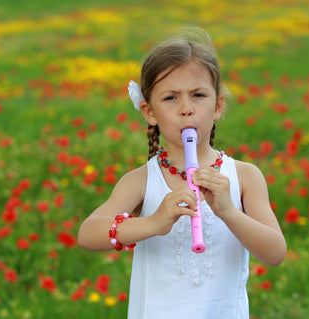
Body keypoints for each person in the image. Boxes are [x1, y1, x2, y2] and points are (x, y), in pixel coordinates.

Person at [77, 27, 286, 319]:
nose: (186, 109)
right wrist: (153, 223)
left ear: (218, 105)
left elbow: (275, 253)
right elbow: (88, 233)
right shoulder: (141, 181)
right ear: (149, 112)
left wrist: (229, 212)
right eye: (171, 98)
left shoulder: (245, 177)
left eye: (198, 95)